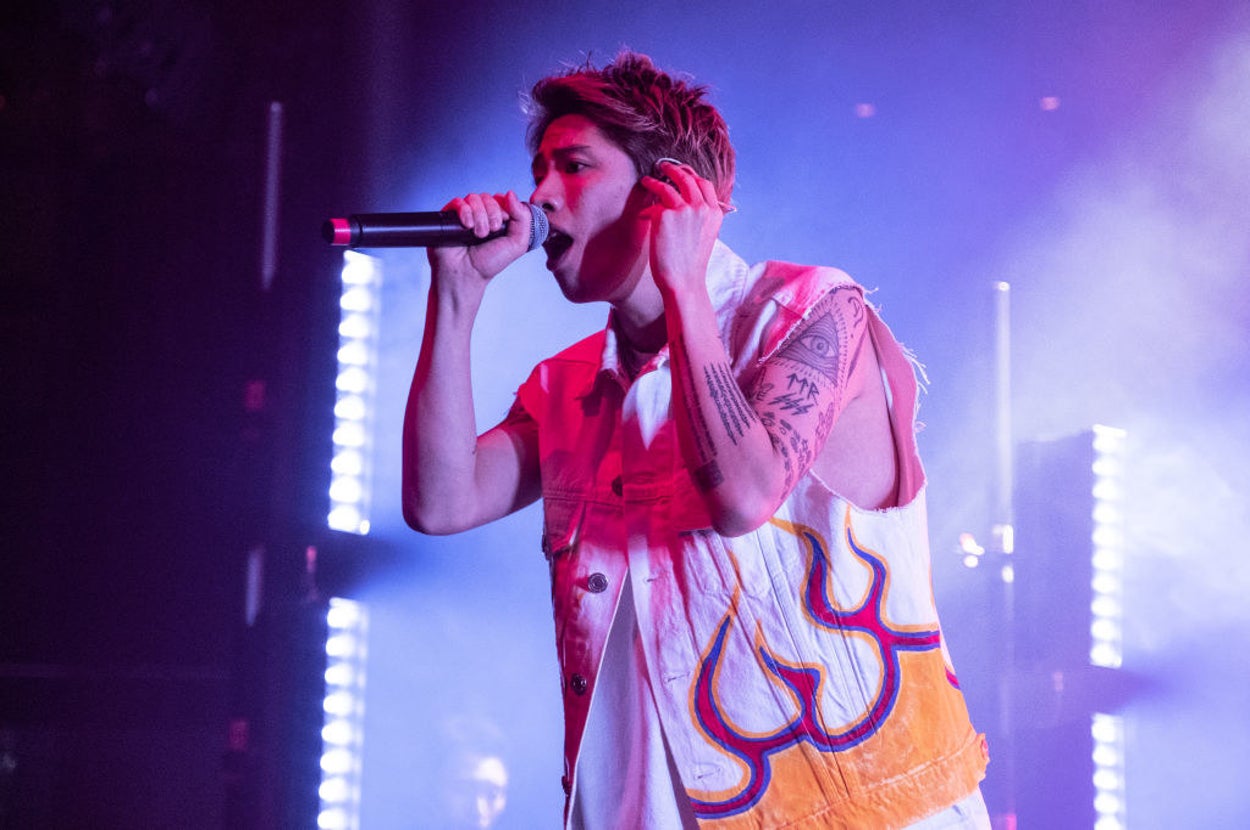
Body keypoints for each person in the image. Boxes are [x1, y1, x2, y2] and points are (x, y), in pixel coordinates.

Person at [402, 51, 989, 829]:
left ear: (668, 192)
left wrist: (684, 282)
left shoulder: (811, 313)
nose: (538, 195)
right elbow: (441, 503)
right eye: (538, 170)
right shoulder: (570, 386)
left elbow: (743, 496)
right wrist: (456, 293)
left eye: (573, 166)